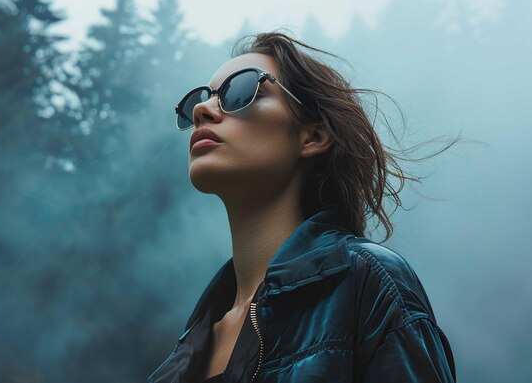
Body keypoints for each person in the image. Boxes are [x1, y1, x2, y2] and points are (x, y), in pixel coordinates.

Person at [148, 31, 458, 383]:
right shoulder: (185, 352)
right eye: (198, 102)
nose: (203, 110)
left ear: (313, 136)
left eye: (240, 91)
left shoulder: (369, 284)